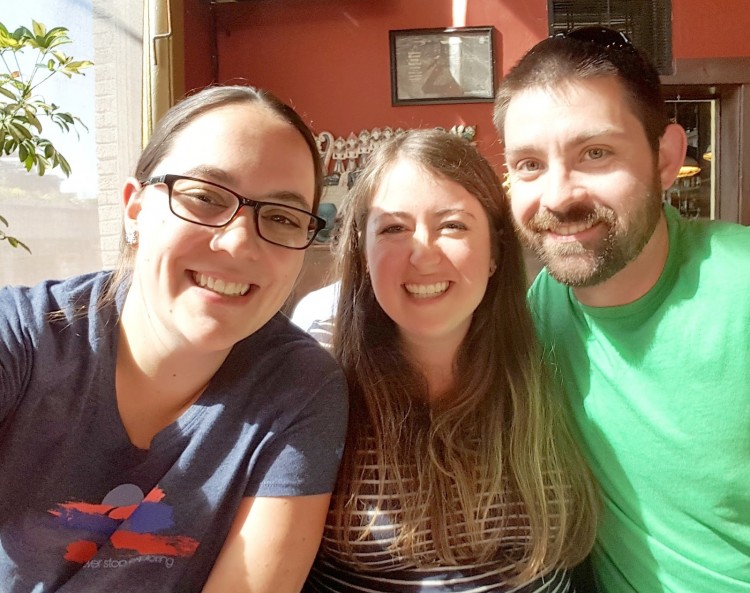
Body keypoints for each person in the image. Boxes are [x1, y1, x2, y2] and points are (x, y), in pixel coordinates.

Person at [0, 85, 348, 592]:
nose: (237, 243)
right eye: (204, 197)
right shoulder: (24, 338)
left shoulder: (298, 388)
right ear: (135, 209)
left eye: (280, 217)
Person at [493, 27, 750, 593]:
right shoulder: (539, 311)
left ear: (666, 158)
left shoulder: (740, 289)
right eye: (530, 165)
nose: (559, 196)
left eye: (595, 153)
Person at [304, 129, 599, 592]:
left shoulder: (556, 358)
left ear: (496, 252)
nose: (422, 253)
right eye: (394, 228)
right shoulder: (318, 379)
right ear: (363, 252)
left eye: (454, 225)